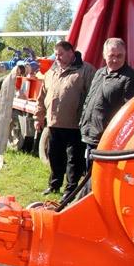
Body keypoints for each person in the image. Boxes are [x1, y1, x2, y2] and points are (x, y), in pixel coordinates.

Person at [34, 40, 95, 200]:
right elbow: (41, 98)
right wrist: (38, 117)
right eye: (56, 54)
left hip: (75, 125)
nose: (58, 57)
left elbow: (92, 97)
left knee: (73, 161)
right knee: (54, 156)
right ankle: (54, 184)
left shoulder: (85, 71)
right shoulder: (51, 72)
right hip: (53, 123)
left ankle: (70, 190)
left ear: (71, 53)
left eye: (61, 54)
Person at [80, 37, 134, 156]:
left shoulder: (130, 78)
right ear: (104, 55)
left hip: (107, 139)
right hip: (89, 135)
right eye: (111, 55)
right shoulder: (99, 73)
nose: (115, 60)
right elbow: (89, 99)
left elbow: (129, 112)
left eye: (119, 56)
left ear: (125, 55)